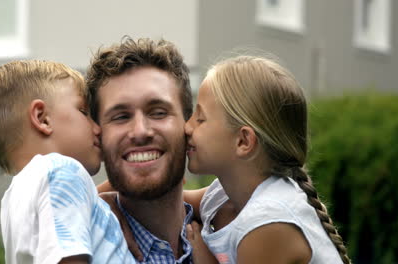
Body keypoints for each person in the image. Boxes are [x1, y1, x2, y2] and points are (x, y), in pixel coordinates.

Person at [0, 60, 136, 264]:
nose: (97, 128)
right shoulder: (63, 171)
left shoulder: (13, 200)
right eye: (83, 111)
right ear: (42, 118)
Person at [184, 55, 352, 264]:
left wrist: (204, 258)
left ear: (243, 141)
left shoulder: (267, 222)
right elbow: (173, 202)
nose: (187, 127)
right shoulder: (223, 197)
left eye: (200, 119)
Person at [86, 37, 195, 263]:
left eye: (158, 112)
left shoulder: (235, 240)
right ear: (98, 137)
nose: (140, 131)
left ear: (189, 125)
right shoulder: (80, 252)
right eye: (121, 117)